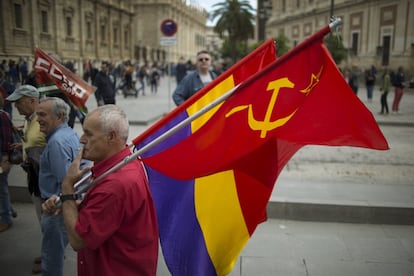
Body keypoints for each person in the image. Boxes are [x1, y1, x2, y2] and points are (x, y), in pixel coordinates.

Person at [43, 104, 159, 275]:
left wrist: (67, 188)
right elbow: (106, 212)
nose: (82, 139)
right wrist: (71, 205)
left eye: (88, 134)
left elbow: (78, 240)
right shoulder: (123, 164)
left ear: (111, 137)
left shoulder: (115, 185)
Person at [37, 97, 81, 276]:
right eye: (37, 114)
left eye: (42, 114)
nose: (37, 119)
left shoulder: (56, 142)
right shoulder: (70, 133)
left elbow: (65, 181)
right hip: (64, 206)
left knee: (51, 261)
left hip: (56, 210)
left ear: (59, 117)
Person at [6, 84, 46, 273]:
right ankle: (49, 252)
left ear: (32, 101)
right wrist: (21, 145)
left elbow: (42, 148)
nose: (16, 107)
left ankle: (51, 257)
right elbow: (31, 142)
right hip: (33, 178)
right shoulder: (30, 119)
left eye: (19, 103)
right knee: (43, 220)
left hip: (41, 180)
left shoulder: (41, 122)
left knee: (48, 222)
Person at [0, 93, 14, 232]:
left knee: (1, 186)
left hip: (1, 159)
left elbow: (6, 139)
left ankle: (6, 218)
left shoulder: (2, 115)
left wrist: (5, 159)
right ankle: (9, 208)